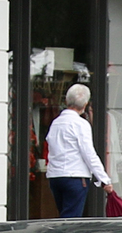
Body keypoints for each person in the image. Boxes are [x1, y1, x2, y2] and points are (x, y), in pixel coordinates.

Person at [43, 83, 111, 217]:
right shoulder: (81, 124)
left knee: (64, 216)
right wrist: (104, 179)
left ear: (66, 101)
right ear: (85, 104)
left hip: (55, 176)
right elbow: (89, 153)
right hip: (75, 176)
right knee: (71, 220)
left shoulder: (55, 123)